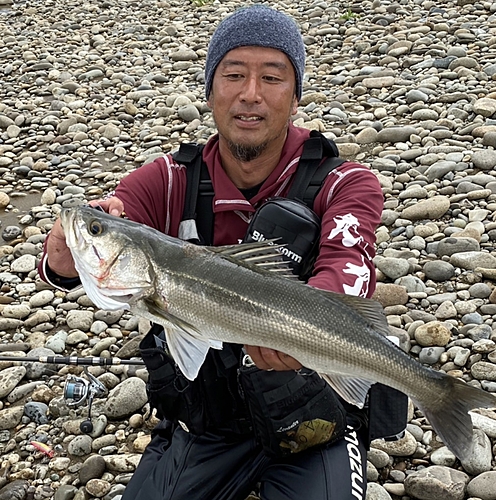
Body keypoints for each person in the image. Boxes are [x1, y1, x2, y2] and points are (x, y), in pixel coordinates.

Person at [39, 6, 385, 500]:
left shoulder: (346, 183)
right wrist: (63, 256)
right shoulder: (166, 178)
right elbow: (109, 224)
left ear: (295, 95)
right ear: (209, 89)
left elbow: (347, 269)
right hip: (204, 423)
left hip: (310, 414)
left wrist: (300, 337)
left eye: (272, 77)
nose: (250, 94)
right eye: (234, 74)